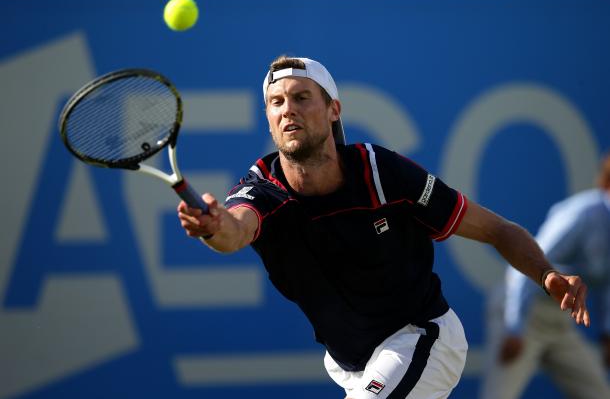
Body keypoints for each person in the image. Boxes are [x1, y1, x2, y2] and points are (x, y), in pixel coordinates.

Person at [177, 56, 590, 399]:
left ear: (333, 110)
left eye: (302, 98)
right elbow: (235, 231)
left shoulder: (383, 173)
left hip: (421, 338)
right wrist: (214, 226)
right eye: (277, 102)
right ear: (268, 118)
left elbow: (497, 230)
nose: (289, 109)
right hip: (350, 364)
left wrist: (547, 273)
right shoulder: (260, 190)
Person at [480, 152, 610, 399]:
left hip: (560, 323)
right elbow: (527, 264)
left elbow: (606, 284)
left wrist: (607, 334)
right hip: (522, 311)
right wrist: (514, 328)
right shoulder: (581, 214)